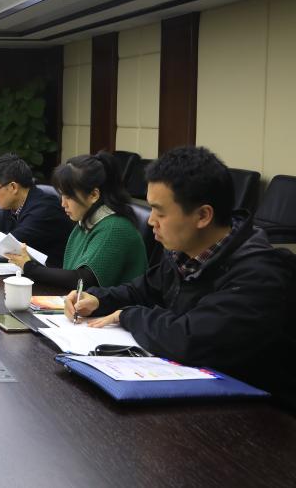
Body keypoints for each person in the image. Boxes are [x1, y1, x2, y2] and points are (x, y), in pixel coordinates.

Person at [67, 146, 295, 405]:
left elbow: (190, 338)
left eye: (160, 212)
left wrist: (127, 315)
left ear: (203, 215)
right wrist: (98, 299)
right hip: (199, 394)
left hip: (258, 412)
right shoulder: (184, 252)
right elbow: (143, 289)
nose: (151, 221)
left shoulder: (259, 274)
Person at [4, 152, 146, 289]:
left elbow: (84, 280)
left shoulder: (114, 228)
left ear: (93, 195)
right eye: (62, 196)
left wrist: (30, 267)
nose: (63, 204)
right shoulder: (86, 220)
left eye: (69, 197)